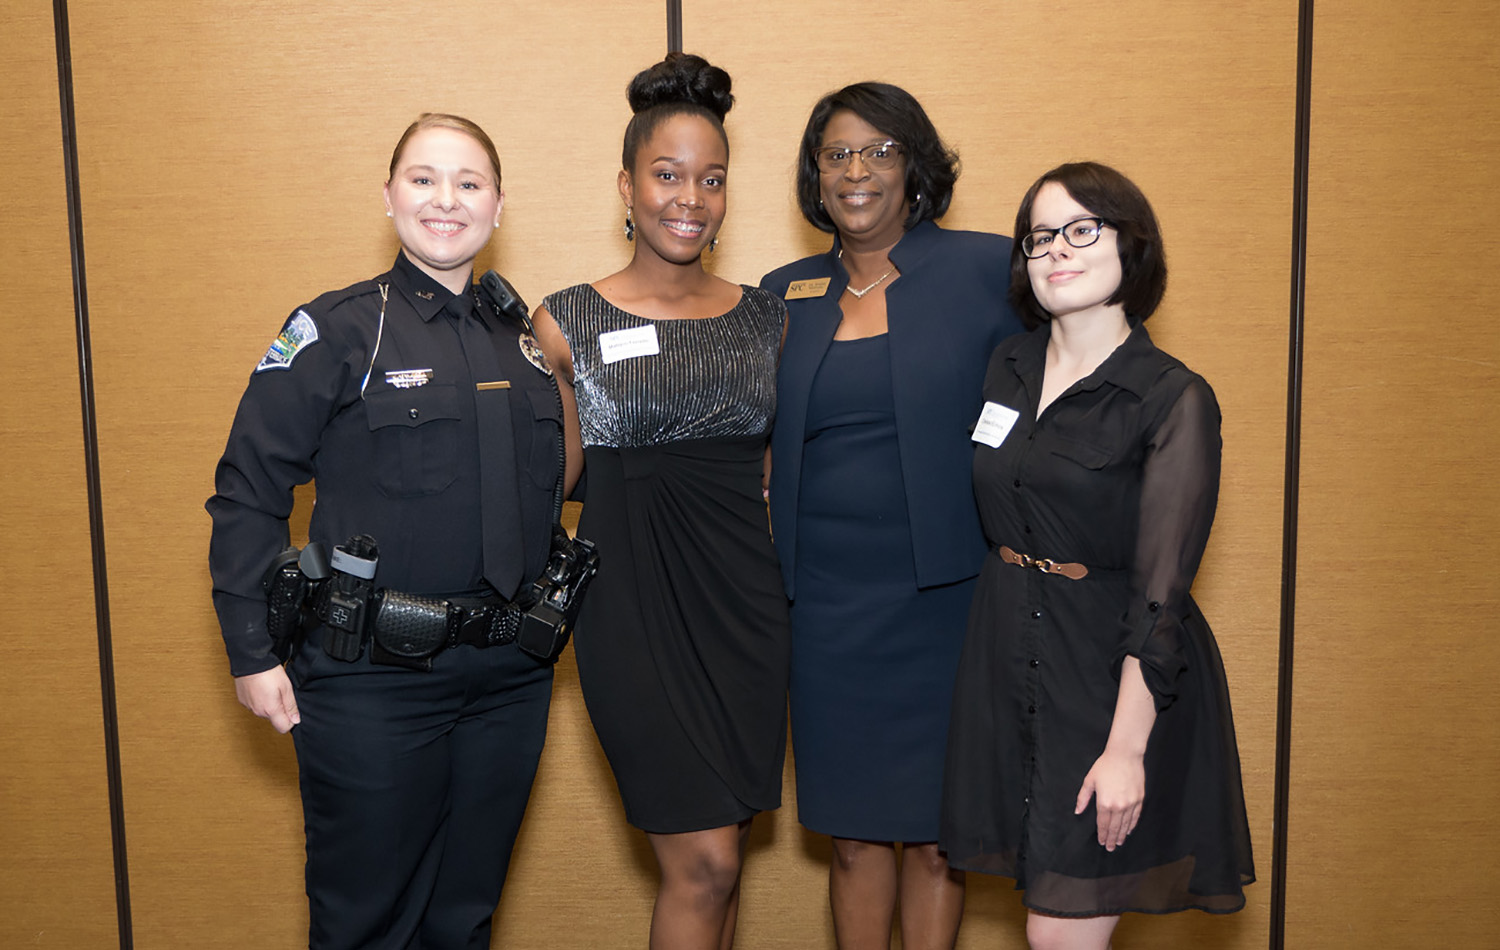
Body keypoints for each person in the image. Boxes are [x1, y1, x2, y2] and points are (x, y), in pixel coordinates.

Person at [206, 113, 573, 950]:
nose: (446, 200)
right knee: (366, 922)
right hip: (371, 681)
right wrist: (252, 650)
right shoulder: (337, 329)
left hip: (508, 678)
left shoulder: (521, 342)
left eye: (469, 183)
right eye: (423, 179)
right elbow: (246, 491)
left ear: (499, 206)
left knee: (464, 917)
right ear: (388, 197)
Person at [940, 162, 1255, 950]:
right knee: (1037, 914)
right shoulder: (1006, 368)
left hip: (1110, 681)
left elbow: (1160, 597)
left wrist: (1125, 750)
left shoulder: (1171, 396)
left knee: (1060, 932)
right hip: (1006, 660)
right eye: (1041, 235)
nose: (1057, 249)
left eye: (1083, 229)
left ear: (1132, 247)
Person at [531, 53, 789, 950]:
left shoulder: (769, 319)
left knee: (726, 863)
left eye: (711, 178)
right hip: (631, 608)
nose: (691, 196)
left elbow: (785, 466)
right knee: (703, 865)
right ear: (628, 185)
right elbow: (551, 482)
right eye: (668, 174)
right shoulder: (565, 320)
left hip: (747, 609)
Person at [759, 83, 1024, 950]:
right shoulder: (783, 291)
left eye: (879, 151)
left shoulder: (989, 268)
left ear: (915, 165)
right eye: (837, 154)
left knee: (940, 843)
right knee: (853, 837)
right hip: (826, 606)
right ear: (815, 175)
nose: (857, 171)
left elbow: (1057, 391)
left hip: (946, 598)